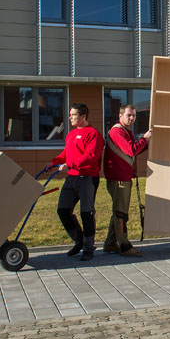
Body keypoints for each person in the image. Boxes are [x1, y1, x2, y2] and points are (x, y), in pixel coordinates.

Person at [48, 103, 104, 261]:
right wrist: (53, 162)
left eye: (73, 115)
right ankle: (79, 240)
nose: (70, 117)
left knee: (87, 213)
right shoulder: (71, 135)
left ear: (83, 117)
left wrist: (70, 165)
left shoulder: (94, 134)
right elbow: (66, 153)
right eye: (70, 114)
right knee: (63, 210)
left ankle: (88, 247)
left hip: (87, 178)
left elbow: (90, 156)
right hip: (71, 178)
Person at [103, 103, 151, 257]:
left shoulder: (125, 131)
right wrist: (145, 139)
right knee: (121, 213)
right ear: (120, 116)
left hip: (122, 176)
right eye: (129, 115)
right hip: (119, 178)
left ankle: (110, 243)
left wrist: (146, 143)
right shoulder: (118, 131)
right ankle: (123, 245)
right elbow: (131, 150)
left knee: (118, 210)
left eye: (133, 115)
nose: (132, 118)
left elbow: (133, 152)